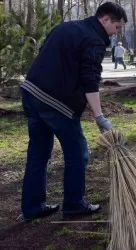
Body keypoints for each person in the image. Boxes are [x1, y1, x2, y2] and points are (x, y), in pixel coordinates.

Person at [20, 2, 127, 221]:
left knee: (38, 154)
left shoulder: (67, 27)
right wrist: (99, 117)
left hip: (31, 93)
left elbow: (45, 54)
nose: (116, 33)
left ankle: (32, 207)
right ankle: (74, 204)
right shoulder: (94, 40)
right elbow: (90, 80)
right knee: (78, 152)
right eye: (116, 27)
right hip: (55, 102)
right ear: (105, 19)